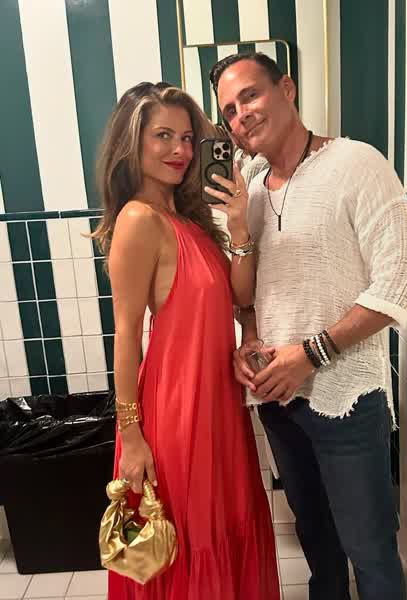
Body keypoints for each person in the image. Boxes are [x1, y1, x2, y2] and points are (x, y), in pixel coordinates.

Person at [207, 53, 407, 600]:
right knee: (318, 548)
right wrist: (250, 338)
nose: (241, 115)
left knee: (371, 553)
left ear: (286, 89)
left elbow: (405, 279)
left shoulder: (356, 163)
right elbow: (248, 296)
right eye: (229, 110)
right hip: (279, 400)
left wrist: (310, 355)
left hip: (346, 399)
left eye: (250, 96)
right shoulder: (248, 185)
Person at [92, 81, 279, 600]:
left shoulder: (188, 220)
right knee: (189, 536)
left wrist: (237, 224)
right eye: (163, 136)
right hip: (176, 407)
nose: (180, 149)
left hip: (218, 401)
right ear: (132, 143)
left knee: (222, 526)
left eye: (187, 138)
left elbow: (240, 296)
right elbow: (126, 335)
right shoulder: (138, 219)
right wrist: (131, 436)